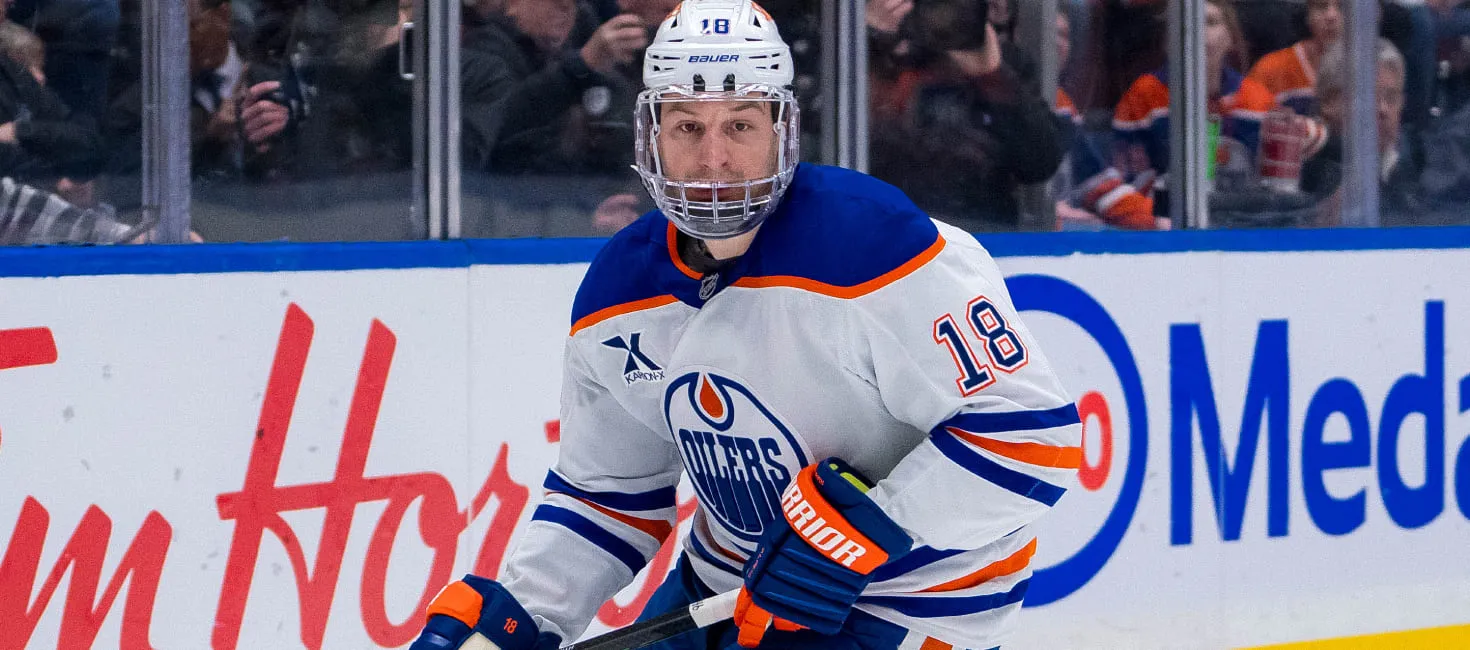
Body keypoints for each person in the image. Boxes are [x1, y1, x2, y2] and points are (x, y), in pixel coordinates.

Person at [410, 2, 1082, 649]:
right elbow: (608, 498)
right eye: (687, 127)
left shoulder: (874, 247)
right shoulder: (619, 289)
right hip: (719, 590)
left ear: (782, 131)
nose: (713, 160)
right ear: (650, 136)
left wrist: (872, 529)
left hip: (903, 609)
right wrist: (523, 615)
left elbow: (1030, 438)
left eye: (740, 125)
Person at [1246, 0, 1343, 116]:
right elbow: (1247, 121)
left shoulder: (1363, 71)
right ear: (1308, 15)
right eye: (1321, 7)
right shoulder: (1270, 69)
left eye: (1342, 7)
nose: (1331, 16)